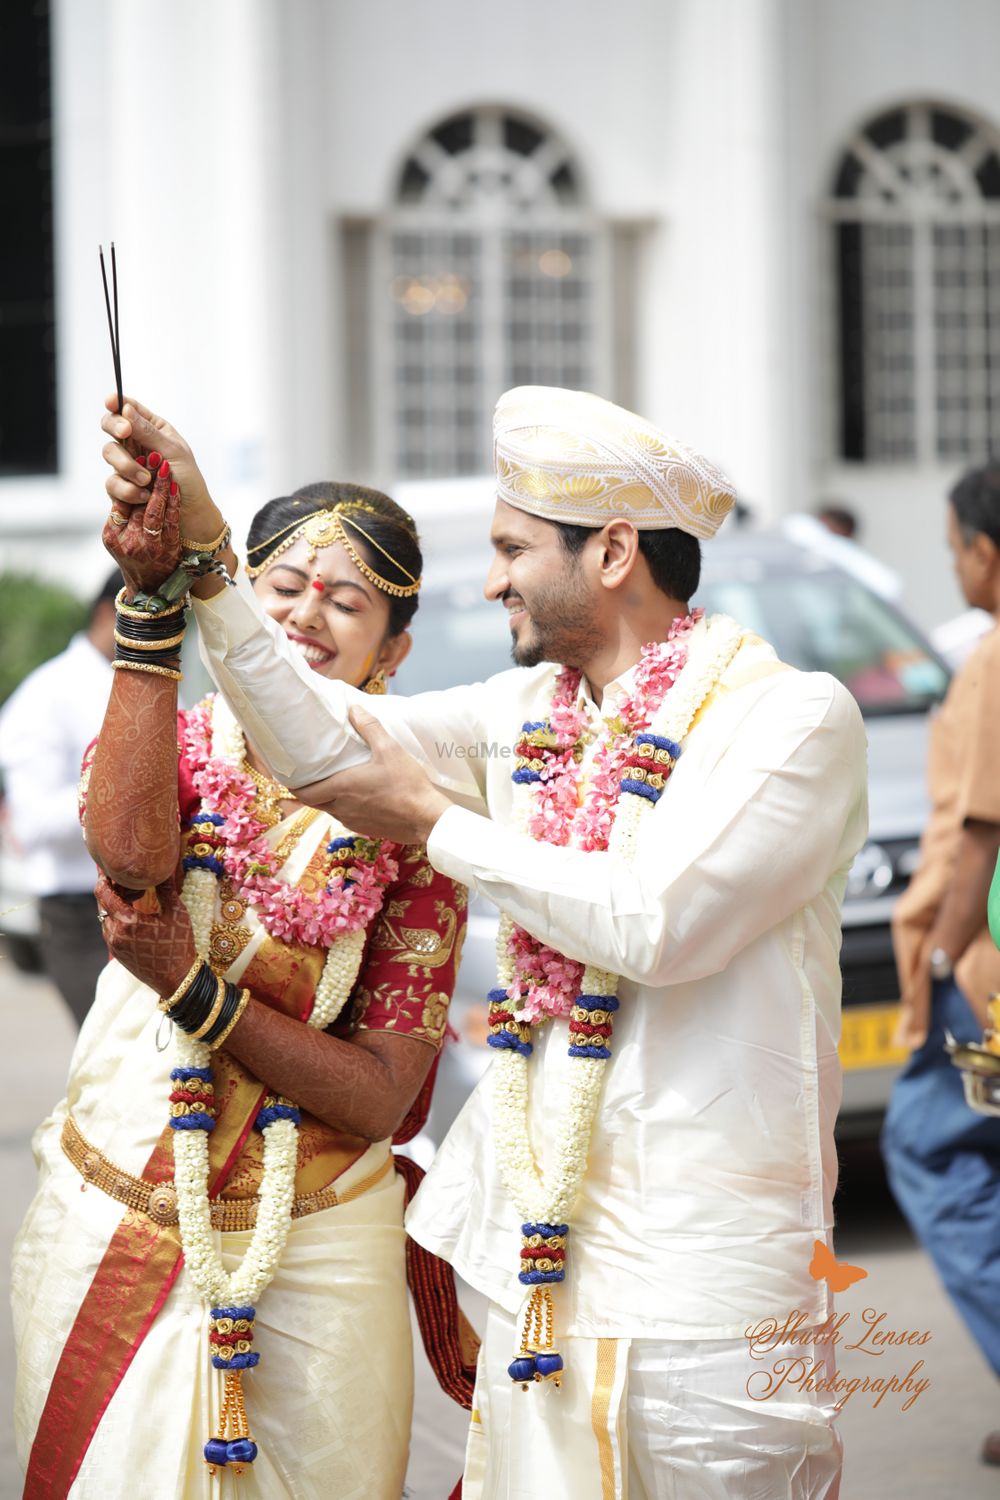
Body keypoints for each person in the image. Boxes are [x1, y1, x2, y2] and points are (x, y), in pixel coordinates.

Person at [100, 386, 868, 1500]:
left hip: (711, 1289)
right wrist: (210, 552)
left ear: (612, 554)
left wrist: (436, 824)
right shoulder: (530, 717)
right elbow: (317, 746)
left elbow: (656, 921)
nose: (492, 578)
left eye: (512, 549)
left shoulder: (791, 720)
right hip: (534, 1267)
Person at [12, 464, 469, 1499]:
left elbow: (380, 1092)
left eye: (347, 601)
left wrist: (195, 991)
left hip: (323, 1228)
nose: (310, 615)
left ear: (392, 649)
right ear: (241, 605)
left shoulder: (415, 820)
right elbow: (129, 863)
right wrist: (148, 605)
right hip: (120, 1201)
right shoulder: (163, 743)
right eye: (285, 588)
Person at [885, 462, 1000, 1468]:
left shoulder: (996, 659)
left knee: (929, 1147)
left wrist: (948, 956)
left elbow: (976, 832)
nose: (953, 561)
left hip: (986, 976)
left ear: (985, 554)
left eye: (955, 543)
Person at [0, 570, 118, 1025]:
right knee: (115, 1074)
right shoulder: (47, 695)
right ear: (109, 613)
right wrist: (124, 792)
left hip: (148, 903)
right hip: (80, 914)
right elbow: (33, 825)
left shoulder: (143, 681)